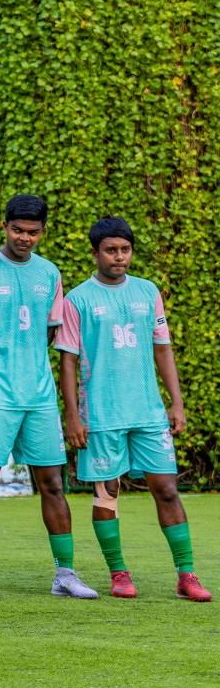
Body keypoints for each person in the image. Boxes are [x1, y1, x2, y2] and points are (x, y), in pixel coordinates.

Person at [56, 217, 209, 601]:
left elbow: (162, 348)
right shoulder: (77, 299)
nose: (119, 257)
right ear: (95, 253)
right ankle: (118, 572)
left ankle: (187, 575)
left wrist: (176, 402)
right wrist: (72, 415)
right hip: (101, 415)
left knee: (168, 489)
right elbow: (69, 361)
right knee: (107, 492)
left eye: (125, 249)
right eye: (111, 250)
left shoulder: (147, 292)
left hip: (147, 411)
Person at [0, 194, 91, 600]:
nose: (24, 238)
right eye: (17, 230)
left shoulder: (49, 274)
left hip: (40, 397)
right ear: (4, 226)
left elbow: (50, 332)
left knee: (53, 484)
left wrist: (27, 368)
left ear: (42, 232)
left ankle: (65, 574)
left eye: (33, 232)